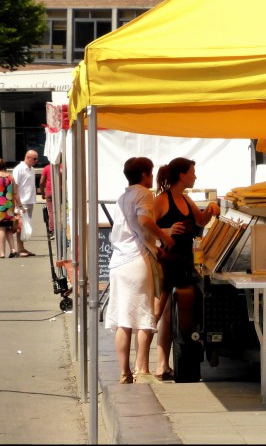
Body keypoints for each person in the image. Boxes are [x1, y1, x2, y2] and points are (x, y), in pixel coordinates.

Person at [105, 157, 175, 384]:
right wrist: (163, 236)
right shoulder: (144, 194)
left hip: (118, 262)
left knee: (123, 320)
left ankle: (125, 371)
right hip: (137, 259)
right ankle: (141, 369)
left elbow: (133, 225)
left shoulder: (122, 197)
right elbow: (144, 221)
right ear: (145, 175)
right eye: (150, 173)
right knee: (144, 316)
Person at [153, 157, 221, 380]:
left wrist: (210, 209)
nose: (195, 176)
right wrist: (168, 229)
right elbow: (145, 227)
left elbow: (200, 221)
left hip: (186, 261)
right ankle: (142, 363)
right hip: (168, 261)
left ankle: (162, 365)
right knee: (156, 313)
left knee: (170, 316)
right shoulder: (162, 200)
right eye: (193, 172)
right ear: (182, 175)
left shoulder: (186, 198)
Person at [0, 158, 22, 259]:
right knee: (8, 229)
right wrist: (20, 205)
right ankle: (13, 250)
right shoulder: (10, 177)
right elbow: (15, 192)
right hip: (9, 206)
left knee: (1, 229)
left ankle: (2, 252)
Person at [12, 149, 39, 257]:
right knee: (20, 225)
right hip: (22, 201)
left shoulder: (31, 169)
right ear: (28, 157)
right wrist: (19, 204)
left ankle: (21, 247)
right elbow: (15, 188)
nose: (36, 161)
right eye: (35, 159)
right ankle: (19, 249)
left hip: (29, 201)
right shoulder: (19, 169)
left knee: (24, 225)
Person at [39, 163, 54, 236]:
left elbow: (41, 182)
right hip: (61, 191)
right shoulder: (64, 167)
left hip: (49, 191)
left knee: (51, 211)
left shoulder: (47, 168)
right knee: (61, 210)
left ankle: (52, 229)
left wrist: (42, 193)